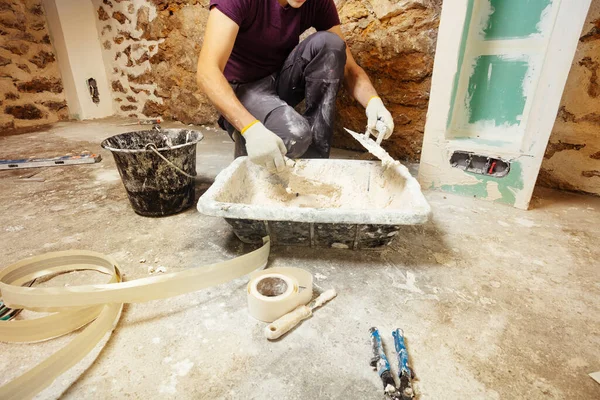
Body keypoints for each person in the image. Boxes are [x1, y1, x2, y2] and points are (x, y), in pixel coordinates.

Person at [196, 0, 394, 171]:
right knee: (295, 136)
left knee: (331, 44)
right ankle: (248, 140)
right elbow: (207, 72)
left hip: (279, 79)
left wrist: (373, 102)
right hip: (242, 89)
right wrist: (250, 128)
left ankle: (316, 162)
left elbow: (349, 68)